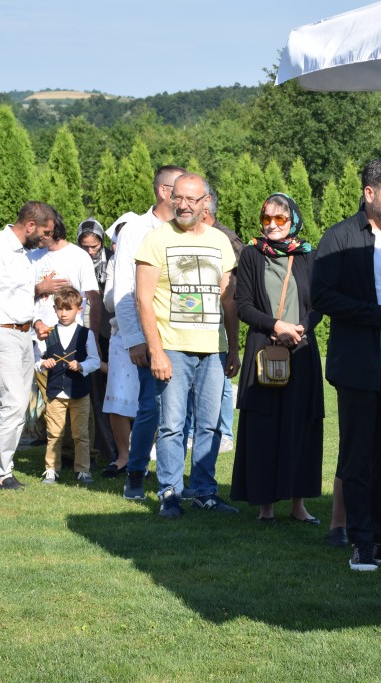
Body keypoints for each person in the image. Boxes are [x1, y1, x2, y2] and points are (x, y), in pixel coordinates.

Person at [311, 159, 381, 571]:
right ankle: (360, 542)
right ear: (369, 193)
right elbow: (322, 297)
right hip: (360, 367)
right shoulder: (339, 237)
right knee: (358, 457)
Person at [134, 172, 240, 518]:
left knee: (209, 425)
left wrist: (233, 348)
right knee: (172, 425)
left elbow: (229, 300)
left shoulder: (220, 241)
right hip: (173, 348)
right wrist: (156, 350)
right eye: (178, 197)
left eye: (191, 199)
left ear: (205, 202)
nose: (183, 205)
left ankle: (205, 491)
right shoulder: (156, 239)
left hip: (214, 349)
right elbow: (143, 300)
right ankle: (170, 492)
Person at [230, 193, 324, 523]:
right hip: (264, 348)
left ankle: (298, 505)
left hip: (302, 350)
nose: (272, 225)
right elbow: (243, 305)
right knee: (263, 427)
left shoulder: (308, 255)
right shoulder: (251, 255)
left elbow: (319, 304)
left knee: (302, 426)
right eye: (266, 218)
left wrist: (300, 328)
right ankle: (265, 506)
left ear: (293, 221)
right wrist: (276, 326)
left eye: (279, 219)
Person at [113, 165, 186, 501]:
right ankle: (136, 472)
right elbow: (124, 290)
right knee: (151, 408)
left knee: (182, 413)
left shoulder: (188, 229)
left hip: (184, 336)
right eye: (180, 190)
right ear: (164, 192)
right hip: (151, 335)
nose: (188, 199)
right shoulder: (136, 230)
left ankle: (178, 482)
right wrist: (136, 339)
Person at [0, 201, 55, 489]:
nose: (46, 239)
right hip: (1, 334)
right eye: (45, 232)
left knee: (18, 407)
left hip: (23, 335)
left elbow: (18, 297)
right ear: (30, 225)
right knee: (13, 404)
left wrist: (36, 322)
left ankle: (5, 468)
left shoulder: (24, 254)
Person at [36, 286, 100, 485]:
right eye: (60, 309)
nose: (64, 314)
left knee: (81, 434)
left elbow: (95, 361)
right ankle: (51, 469)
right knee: (54, 433)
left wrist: (81, 366)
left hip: (79, 392)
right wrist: (43, 363)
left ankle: (82, 470)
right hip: (55, 392)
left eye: (68, 309)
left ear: (79, 310)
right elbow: (36, 359)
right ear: (54, 309)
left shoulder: (85, 334)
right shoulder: (49, 333)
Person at [202, 189, 243, 456]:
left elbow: (242, 278)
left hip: (223, 316)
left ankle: (226, 432)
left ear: (205, 209)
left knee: (224, 377)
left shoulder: (225, 238)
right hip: (201, 321)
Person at [77, 218, 119, 468]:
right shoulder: (75, 261)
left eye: (94, 246)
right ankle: (95, 447)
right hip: (83, 332)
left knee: (110, 390)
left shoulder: (112, 261)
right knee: (91, 393)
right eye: (85, 247)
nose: (91, 252)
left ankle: (115, 447)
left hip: (109, 332)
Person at [101, 212, 139, 477]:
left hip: (152, 334)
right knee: (117, 398)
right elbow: (108, 303)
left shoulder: (151, 255)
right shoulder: (114, 263)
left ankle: (141, 453)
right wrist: (126, 288)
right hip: (120, 334)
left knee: (149, 399)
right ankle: (123, 456)